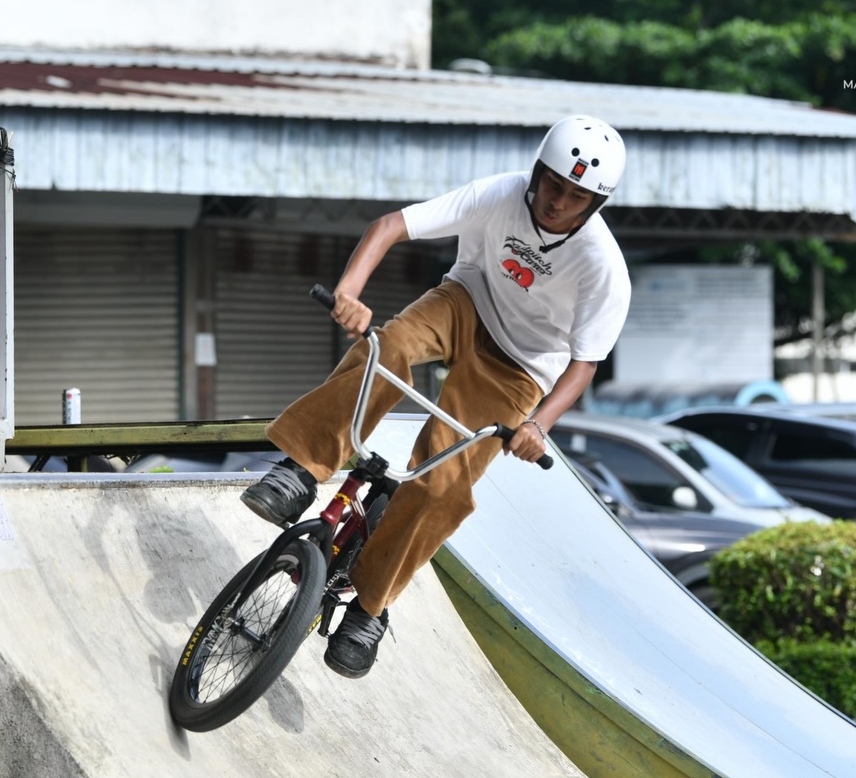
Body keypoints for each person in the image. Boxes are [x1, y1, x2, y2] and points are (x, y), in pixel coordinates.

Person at [241, 115, 631, 678]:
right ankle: (300, 468)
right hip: (464, 303)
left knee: (443, 483)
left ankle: (370, 607)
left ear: (594, 204)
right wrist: (350, 292)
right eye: (552, 186)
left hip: (521, 366)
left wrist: (538, 425)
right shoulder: (498, 194)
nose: (557, 204)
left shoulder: (603, 266)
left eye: (576, 197)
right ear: (537, 173)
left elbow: (585, 362)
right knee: (390, 346)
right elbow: (389, 226)